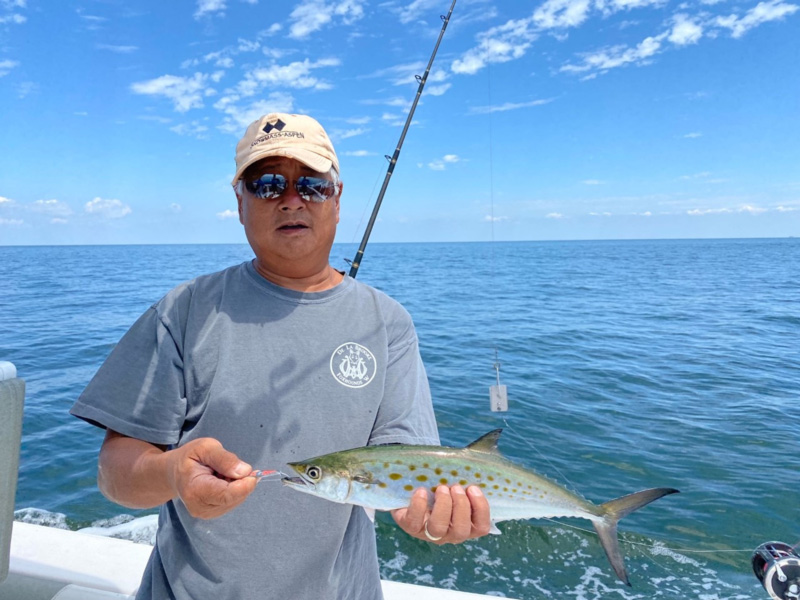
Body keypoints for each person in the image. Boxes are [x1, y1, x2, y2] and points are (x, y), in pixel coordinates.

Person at [70, 112, 491, 600]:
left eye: (311, 184)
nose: (291, 199)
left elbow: (410, 471)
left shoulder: (388, 322)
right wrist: (172, 475)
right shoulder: (183, 311)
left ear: (336, 199)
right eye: (267, 183)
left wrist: (433, 520)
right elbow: (114, 474)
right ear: (240, 202)